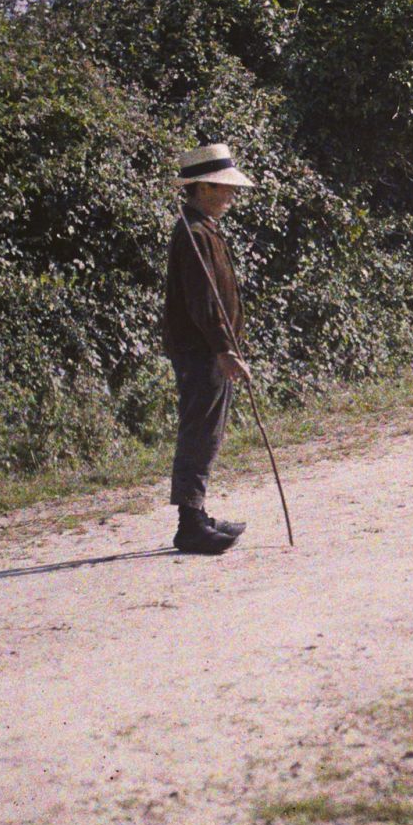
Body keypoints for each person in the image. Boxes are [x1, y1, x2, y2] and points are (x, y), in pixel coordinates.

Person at [163, 143, 256, 555]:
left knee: (208, 431)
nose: (232, 194)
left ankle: (198, 514)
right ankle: (189, 525)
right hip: (200, 350)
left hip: (209, 348)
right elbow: (204, 302)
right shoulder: (194, 233)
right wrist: (224, 349)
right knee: (199, 431)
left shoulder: (204, 229)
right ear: (202, 188)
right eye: (224, 187)